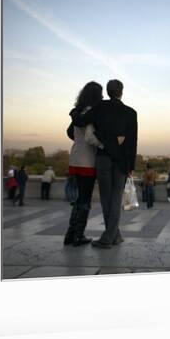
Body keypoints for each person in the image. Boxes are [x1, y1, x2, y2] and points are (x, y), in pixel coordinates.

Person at [73, 79, 138, 249]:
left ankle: (108, 238)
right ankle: (114, 235)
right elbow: (132, 142)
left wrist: (74, 112)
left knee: (106, 198)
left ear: (108, 92)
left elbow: (80, 121)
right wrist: (131, 166)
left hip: (103, 158)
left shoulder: (100, 108)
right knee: (116, 199)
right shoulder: (131, 113)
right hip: (122, 161)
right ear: (121, 91)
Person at [63, 81, 104, 246]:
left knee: (78, 200)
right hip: (87, 162)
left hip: (75, 158)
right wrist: (103, 145)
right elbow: (90, 137)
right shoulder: (90, 113)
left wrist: (79, 144)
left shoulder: (78, 112)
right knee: (85, 200)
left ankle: (70, 234)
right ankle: (78, 236)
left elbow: (70, 133)